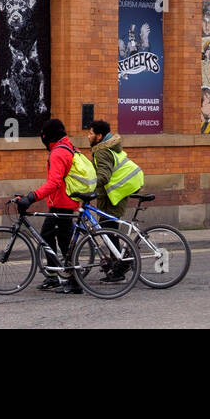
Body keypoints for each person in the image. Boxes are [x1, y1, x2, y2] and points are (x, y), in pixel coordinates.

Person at [17, 119, 81, 294]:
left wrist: (31, 197)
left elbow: (53, 183)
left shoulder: (58, 153)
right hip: (65, 202)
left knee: (57, 240)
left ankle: (72, 281)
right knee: (53, 238)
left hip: (62, 203)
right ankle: (56, 276)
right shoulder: (69, 147)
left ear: (47, 137)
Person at [87, 120, 133, 282]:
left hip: (112, 197)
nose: (88, 136)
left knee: (109, 230)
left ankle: (120, 268)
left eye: (91, 133)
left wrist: (88, 186)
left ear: (99, 136)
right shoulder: (108, 147)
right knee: (109, 229)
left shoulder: (102, 151)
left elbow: (104, 176)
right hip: (114, 195)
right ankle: (116, 264)